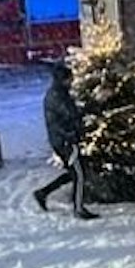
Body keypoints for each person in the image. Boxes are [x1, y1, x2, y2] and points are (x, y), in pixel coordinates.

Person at [33, 62, 98, 220]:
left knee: (74, 173)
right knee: (79, 174)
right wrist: (90, 108)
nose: (72, 81)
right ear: (63, 79)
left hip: (62, 139)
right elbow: (71, 114)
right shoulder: (58, 96)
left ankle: (43, 193)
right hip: (66, 141)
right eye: (70, 79)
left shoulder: (58, 93)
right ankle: (78, 208)